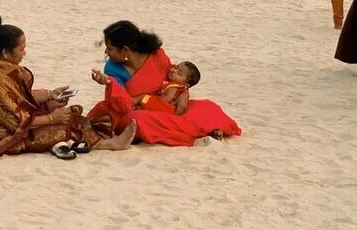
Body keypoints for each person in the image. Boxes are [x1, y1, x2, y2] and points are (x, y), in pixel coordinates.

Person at [0, 24, 136, 160]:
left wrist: (49, 96)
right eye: (21, 49)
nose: (24, 53)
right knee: (62, 128)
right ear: (6, 53)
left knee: (57, 109)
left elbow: (17, 98)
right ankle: (108, 144)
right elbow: (11, 119)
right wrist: (51, 119)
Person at [87, 21, 242, 146]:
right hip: (136, 109)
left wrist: (184, 94)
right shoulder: (112, 68)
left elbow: (174, 76)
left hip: (166, 105)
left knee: (208, 107)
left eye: (110, 49)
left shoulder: (156, 55)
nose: (106, 53)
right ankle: (199, 133)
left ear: (125, 50)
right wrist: (108, 83)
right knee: (138, 122)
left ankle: (206, 130)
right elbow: (121, 102)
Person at [137, 61, 201, 115]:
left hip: (165, 107)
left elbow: (167, 99)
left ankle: (132, 102)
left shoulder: (174, 86)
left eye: (179, 73)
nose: (174, 71)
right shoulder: (174, 84)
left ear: (185, 84)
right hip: (164, 108)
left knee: (142, 98)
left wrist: (154, 98)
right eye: (176, 67)